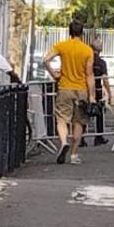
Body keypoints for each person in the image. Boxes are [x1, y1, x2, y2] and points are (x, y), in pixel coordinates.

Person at [43, 20, 95, 165]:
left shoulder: (62, 46)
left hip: (64, 87)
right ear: (82, 33)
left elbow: (46, 60)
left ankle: (64, 141)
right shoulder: (87, 50)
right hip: (81, 90)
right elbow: (89, 74)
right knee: (79, 121)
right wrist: (92, 96)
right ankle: (73, 154)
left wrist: (54, 74)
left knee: (61, 118)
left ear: (70, 32)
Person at [90, 40, 113, 146]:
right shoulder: (101, 62)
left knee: (84, 113)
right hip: (97, 90)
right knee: (99, 113)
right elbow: (105, 79)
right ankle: (99, 137)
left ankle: (81, 139)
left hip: (86, 89)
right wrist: (109, 93)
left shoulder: (87, 60)